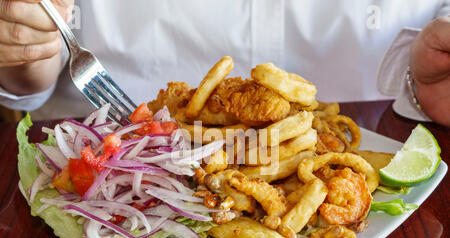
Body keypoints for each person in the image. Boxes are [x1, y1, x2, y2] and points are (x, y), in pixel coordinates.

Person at [0, 0, 448, 126]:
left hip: (399, 125)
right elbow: (32, 59)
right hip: (103, 145)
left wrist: (426, 74)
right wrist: (25, 45)